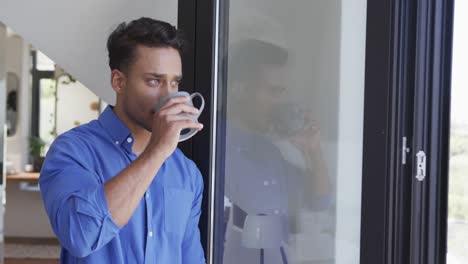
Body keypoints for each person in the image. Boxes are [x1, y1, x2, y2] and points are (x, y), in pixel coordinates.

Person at [39, 17, 205, 263]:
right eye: (154, 81)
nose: (170, 96)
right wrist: (156, 152)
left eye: (174, 82)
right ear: (119, 82)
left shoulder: (186, 173)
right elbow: (81, 237)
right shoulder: (73, 151)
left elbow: (191, 258)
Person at [222, 39, 333, 263]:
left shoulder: (269, 152)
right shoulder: (213, 149)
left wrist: (313, 151)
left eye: (281, 92)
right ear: (239, 89)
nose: (279, 102)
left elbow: (320, 200)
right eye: (273, 91)